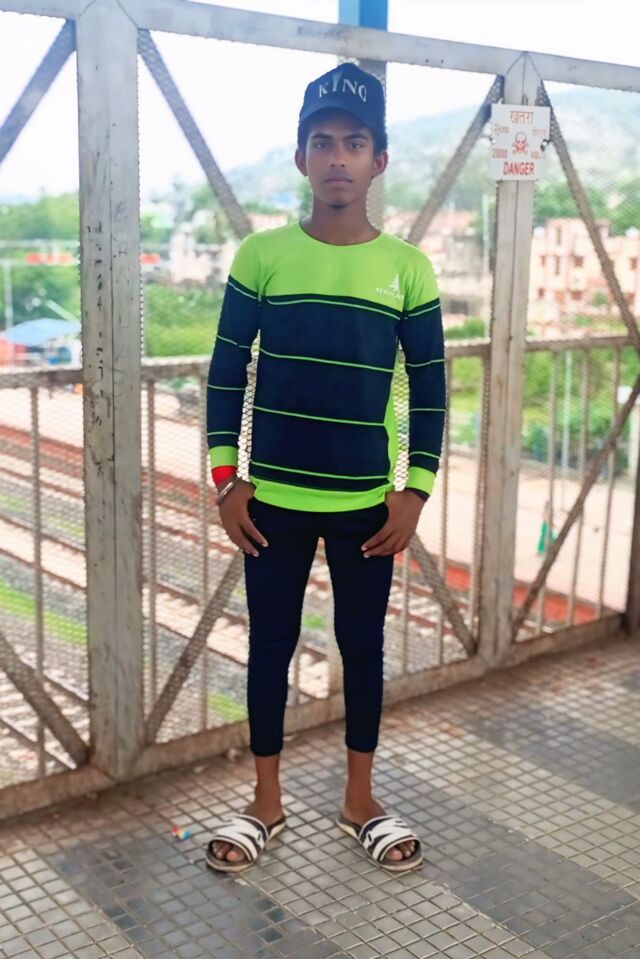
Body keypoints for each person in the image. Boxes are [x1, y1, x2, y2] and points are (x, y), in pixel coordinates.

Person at [204, 62, 446, 875]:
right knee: (269, 646)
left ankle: (359, 801)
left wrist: (414, 492)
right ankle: (264, 802)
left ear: (379, 160)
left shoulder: (408, 268)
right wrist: (225, 481)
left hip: (365, 506)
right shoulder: (261, 255)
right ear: (300, 157)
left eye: (354, 142)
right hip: (270, 501)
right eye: (323, 142)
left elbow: (431, 390)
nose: (337, 156)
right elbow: (225, 373)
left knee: (361, 646)